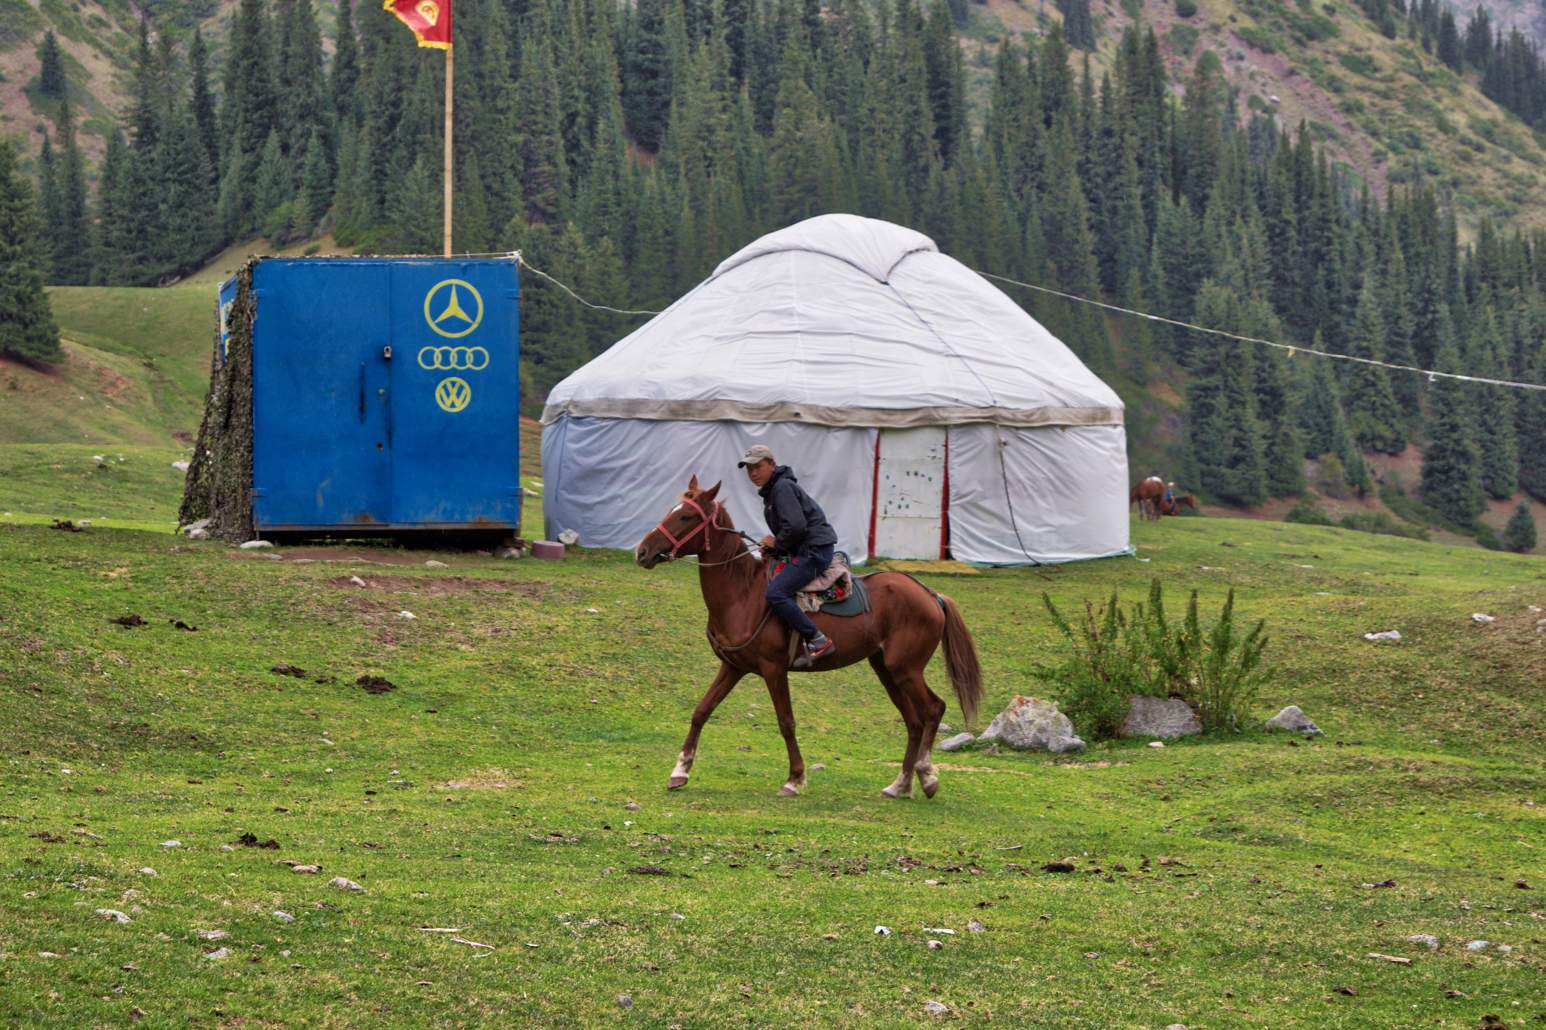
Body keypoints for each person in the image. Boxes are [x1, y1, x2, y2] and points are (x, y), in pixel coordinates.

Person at [738, 445, 838, 668]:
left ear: (772, 465)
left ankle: (818, 640)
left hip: (814, 551)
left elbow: (795, 527)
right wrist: (775, 549)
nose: (753, 473)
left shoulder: (781, 487)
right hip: (807, 549)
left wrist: (777, 543)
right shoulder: (775, 490)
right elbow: (791, 530)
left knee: (775, 593)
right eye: (749, 469)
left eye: (758, 466)